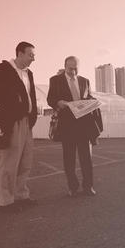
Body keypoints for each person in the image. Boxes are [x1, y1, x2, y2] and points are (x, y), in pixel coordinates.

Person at [0, 41, 39, 211]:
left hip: (27, 121)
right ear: (19, 53)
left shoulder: (29, 73)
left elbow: (31, 94)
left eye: (34, 55)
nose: (34, 58)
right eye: (30, 55)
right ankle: (6, 200)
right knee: (10, 162)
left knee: (25, 161)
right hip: (12, 121)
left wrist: (31, 116)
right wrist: (13, 105)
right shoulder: (2, 69)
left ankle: (21, 194)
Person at [47, 56, 100, 197]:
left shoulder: (85, 81)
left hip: (84, 125)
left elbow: (89, 96)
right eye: (70, 68)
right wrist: (59, 102)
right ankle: (73, 187)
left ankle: (88, 187)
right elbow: (50, 99)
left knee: (86, 159)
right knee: (69, 159)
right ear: (65, 66)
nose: (73, 71)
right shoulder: (55, 80)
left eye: (75, 68)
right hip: (67, 126)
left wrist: (92, 101)